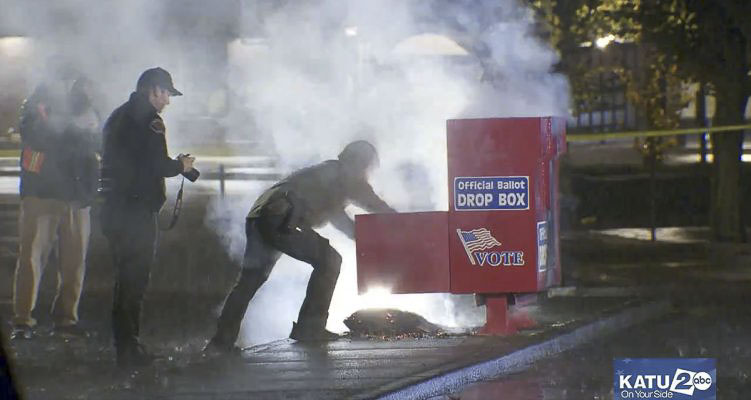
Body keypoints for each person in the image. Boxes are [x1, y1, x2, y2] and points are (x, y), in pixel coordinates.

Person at [206, 140, 395, 354]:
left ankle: (220, 342)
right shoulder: (343, 177)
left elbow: (371, 203)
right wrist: (380, 232)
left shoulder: (331, 171)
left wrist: (390, 223)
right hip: (282, 219)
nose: (367, 174)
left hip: (261, 216)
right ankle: (310, 327)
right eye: (367, 168)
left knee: (250, 281)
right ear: (359, 164)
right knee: (330, 260)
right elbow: (346, 213)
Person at [100, 67, 194, 367]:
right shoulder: (151, 122)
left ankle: (125, 347)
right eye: (166, 94)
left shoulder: (117, 116)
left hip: (114, 209)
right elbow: (156, 164)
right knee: (134, 282)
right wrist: (180, 165)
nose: (167, 101)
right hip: (137, 213)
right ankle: (130, 351)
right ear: (154, 90)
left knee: (123, 281)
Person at [11, 70, 97, 340]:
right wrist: (75, 133)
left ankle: (66, 319)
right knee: (31, 259)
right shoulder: (37, 104)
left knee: (74, 262)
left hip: (75, 196)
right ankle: (23, 320)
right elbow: (40, 138)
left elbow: (96, 144)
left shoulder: (87, 107)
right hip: (42, 194)